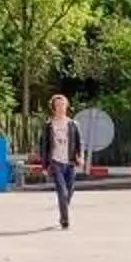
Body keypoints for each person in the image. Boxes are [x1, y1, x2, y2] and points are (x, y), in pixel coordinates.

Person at [41, 91, 85, 228]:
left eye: (63, 105)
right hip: (56, 162)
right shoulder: (49, 125)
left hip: (70, 162)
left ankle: (63, 212)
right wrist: (44, 166)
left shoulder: (73, 124)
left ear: (66, 106)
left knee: (70, 191)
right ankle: (65, 220)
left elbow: (79, 142)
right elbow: (44, 146)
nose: (61, 107)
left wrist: (80, 156)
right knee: (62, 191)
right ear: (53, 107)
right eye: (58, 105)